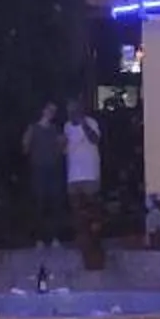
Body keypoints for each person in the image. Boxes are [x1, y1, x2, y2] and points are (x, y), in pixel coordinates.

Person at [24, 103, 66, 246]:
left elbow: (62, 149)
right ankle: (39, 239)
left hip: (53, 170)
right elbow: (25, 149)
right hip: (39, 169)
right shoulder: (33, 128)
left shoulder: (55, 129)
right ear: (42, 110)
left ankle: (55, 238)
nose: (52, 112)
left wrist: (62, 144)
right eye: (49, 109)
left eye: (54, 110)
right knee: (39, 204)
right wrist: (26, 140)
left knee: (55, 203)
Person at [64, 102, 103, 251]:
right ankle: (81, 239)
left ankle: (95, 241)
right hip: (73, 174)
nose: (71, 112)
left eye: (74, 109)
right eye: (69, 109)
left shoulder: (91, 122)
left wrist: (84, 124)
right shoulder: (67, 126)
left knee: (92, 208)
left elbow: (95, 139)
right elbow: (66, 149)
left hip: (89, 173)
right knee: (76, 209)